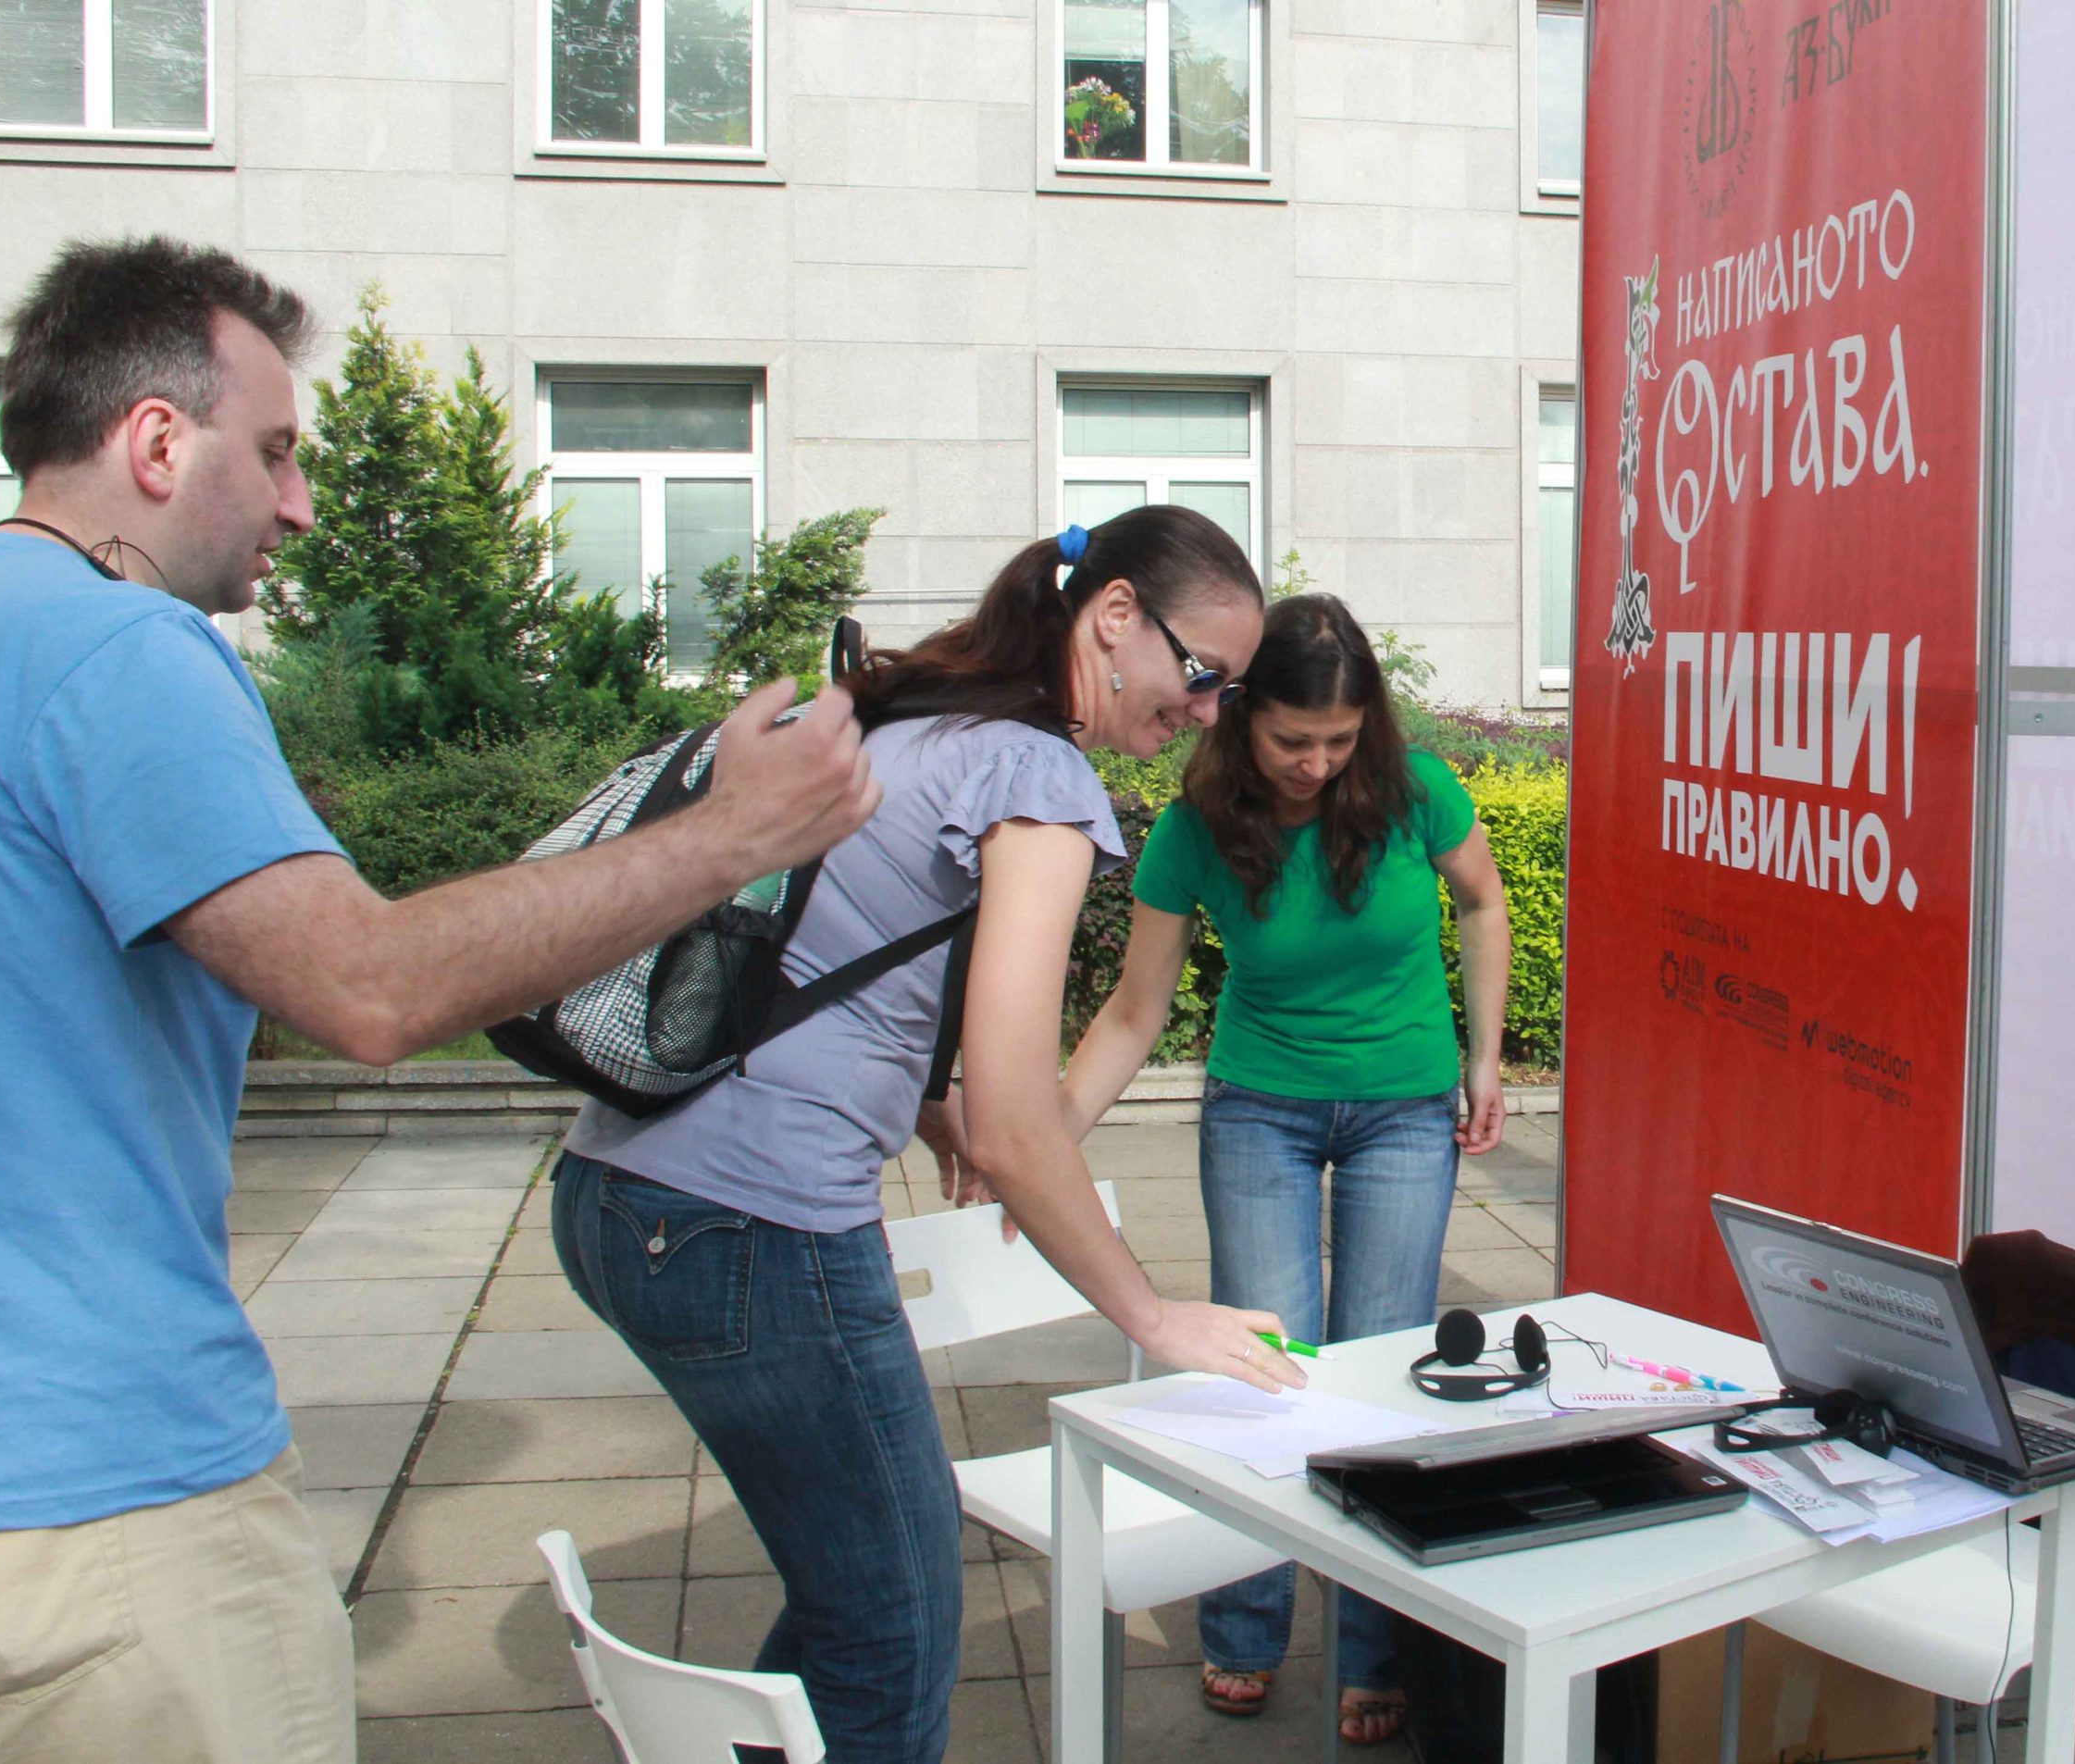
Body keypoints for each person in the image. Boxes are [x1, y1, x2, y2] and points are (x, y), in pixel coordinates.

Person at [0, 237, 881, 1764]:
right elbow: (368, 981)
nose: (298, 505)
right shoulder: (119, 646)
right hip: (108, 1508)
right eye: (276, 451)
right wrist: (733, 834)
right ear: (155, 442)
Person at [550, 505, 1307, 1764]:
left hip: (616, 1193)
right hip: (755, 1230)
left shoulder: (911, 717)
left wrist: (923, 1101)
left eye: (1228, 688)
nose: (1208, 710)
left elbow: (813, 955)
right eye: (1200, 673)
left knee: (853, 1596)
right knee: (894, 1628)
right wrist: (1154, 1317)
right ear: (1114, 616)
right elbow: (1017, 1126)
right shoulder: (1036, 776)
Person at [1062, 591, 1512, 1747]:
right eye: (1291, 740)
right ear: (1240, 716)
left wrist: (1484, 1056)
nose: (1316, 763)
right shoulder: (1195, 826)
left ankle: (1373, 1650)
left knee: (1377, 1374)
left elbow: (1482, 900)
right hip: (1259, 1109)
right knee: (1263, 1370)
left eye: (1339, 740)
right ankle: (1245, 1628)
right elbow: (1134, 1010)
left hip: (1404, 1110)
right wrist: (1044, 1137)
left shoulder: (1415, 792)